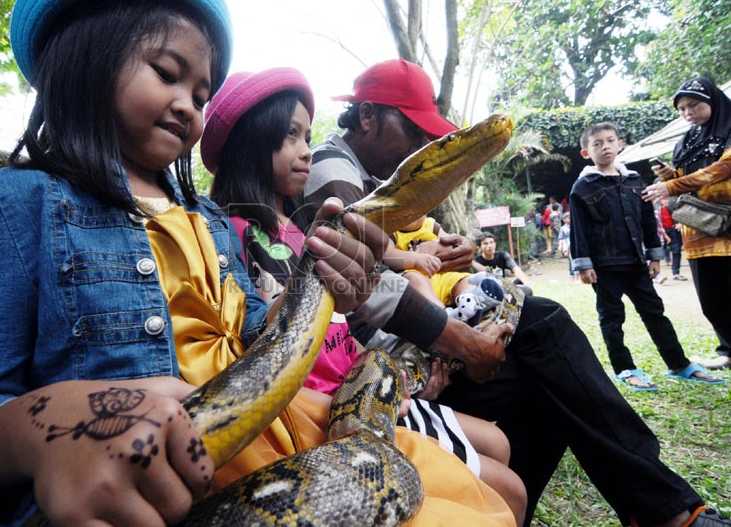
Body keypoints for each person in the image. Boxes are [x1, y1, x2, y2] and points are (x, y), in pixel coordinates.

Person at [0, 0, 519, 526]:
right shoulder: (11, 209)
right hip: (148, 483)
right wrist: (42, 431)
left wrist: (325, 286)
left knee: (491, 495)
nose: (189, 108)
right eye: (168, 74)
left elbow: (258, 330)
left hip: (286, 437)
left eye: (202, 94)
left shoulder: (212, 222)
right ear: (80, 59)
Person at [303, 58, 731, 527]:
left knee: (548, 379)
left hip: (408, 341)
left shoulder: (378, 177)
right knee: (545, 323)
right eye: (413, 130)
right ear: (368, 116)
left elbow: (398, 247)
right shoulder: (332, 169)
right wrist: (455, 335)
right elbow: (361, 284)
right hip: (380, 361)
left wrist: (450, 250)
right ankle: (667, 511)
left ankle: (521, 511)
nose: (422, 144)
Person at [203, 67, 526, 524]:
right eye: (290, 136)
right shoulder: (230, 235)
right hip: (317, 408)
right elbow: (257, 335)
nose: (306, 150)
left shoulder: (297, 232)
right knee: (507, 490)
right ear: (250, 144)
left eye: (306, 136)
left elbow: (338, 327)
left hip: (359, 387)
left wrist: (393, 382)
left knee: (499, 445)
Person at [569, 122, 723, 390]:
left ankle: (679, 364)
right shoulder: (582, 187)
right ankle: (625, 368)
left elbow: (647, 221)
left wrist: (654, 256)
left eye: (610, 140)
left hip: (636, 263)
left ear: (620, 144)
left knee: (655, 312)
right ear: (586, 153)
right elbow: (578, 230)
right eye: (597, 143)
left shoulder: (634, 180)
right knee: (612, 318)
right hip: (604, 267)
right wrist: (583, 265)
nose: (604, 146)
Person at [643, 76, 731, 371]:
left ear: (712, 101)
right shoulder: (688, 140)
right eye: (681, 109)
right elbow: (685, 183)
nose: (687, 112)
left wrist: (671, 185)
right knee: (711, 298)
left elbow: (721, 169)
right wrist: (669, 174)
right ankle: (728, 349)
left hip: (727, 224)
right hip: (696, 228)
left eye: (693, 105)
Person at [387, 215, 506, 324]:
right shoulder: (391, 232)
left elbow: (451, 243)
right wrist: (416, 259)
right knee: (413, 280)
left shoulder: (431, 225)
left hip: (441, 275)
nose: (413, 214)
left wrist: (436, 244)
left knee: (461, 280)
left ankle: (472, 298)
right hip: (417, 279)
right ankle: (444, 316)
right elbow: (388, 256)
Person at [660, 197, 687, 280]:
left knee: (676, 250)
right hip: (660, 230)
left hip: (673, 228)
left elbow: (680, 213)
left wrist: (679, 223)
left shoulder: (672, 200)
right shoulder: (653, 204)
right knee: (662, 248)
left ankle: (676, 272)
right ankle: (656, 274)